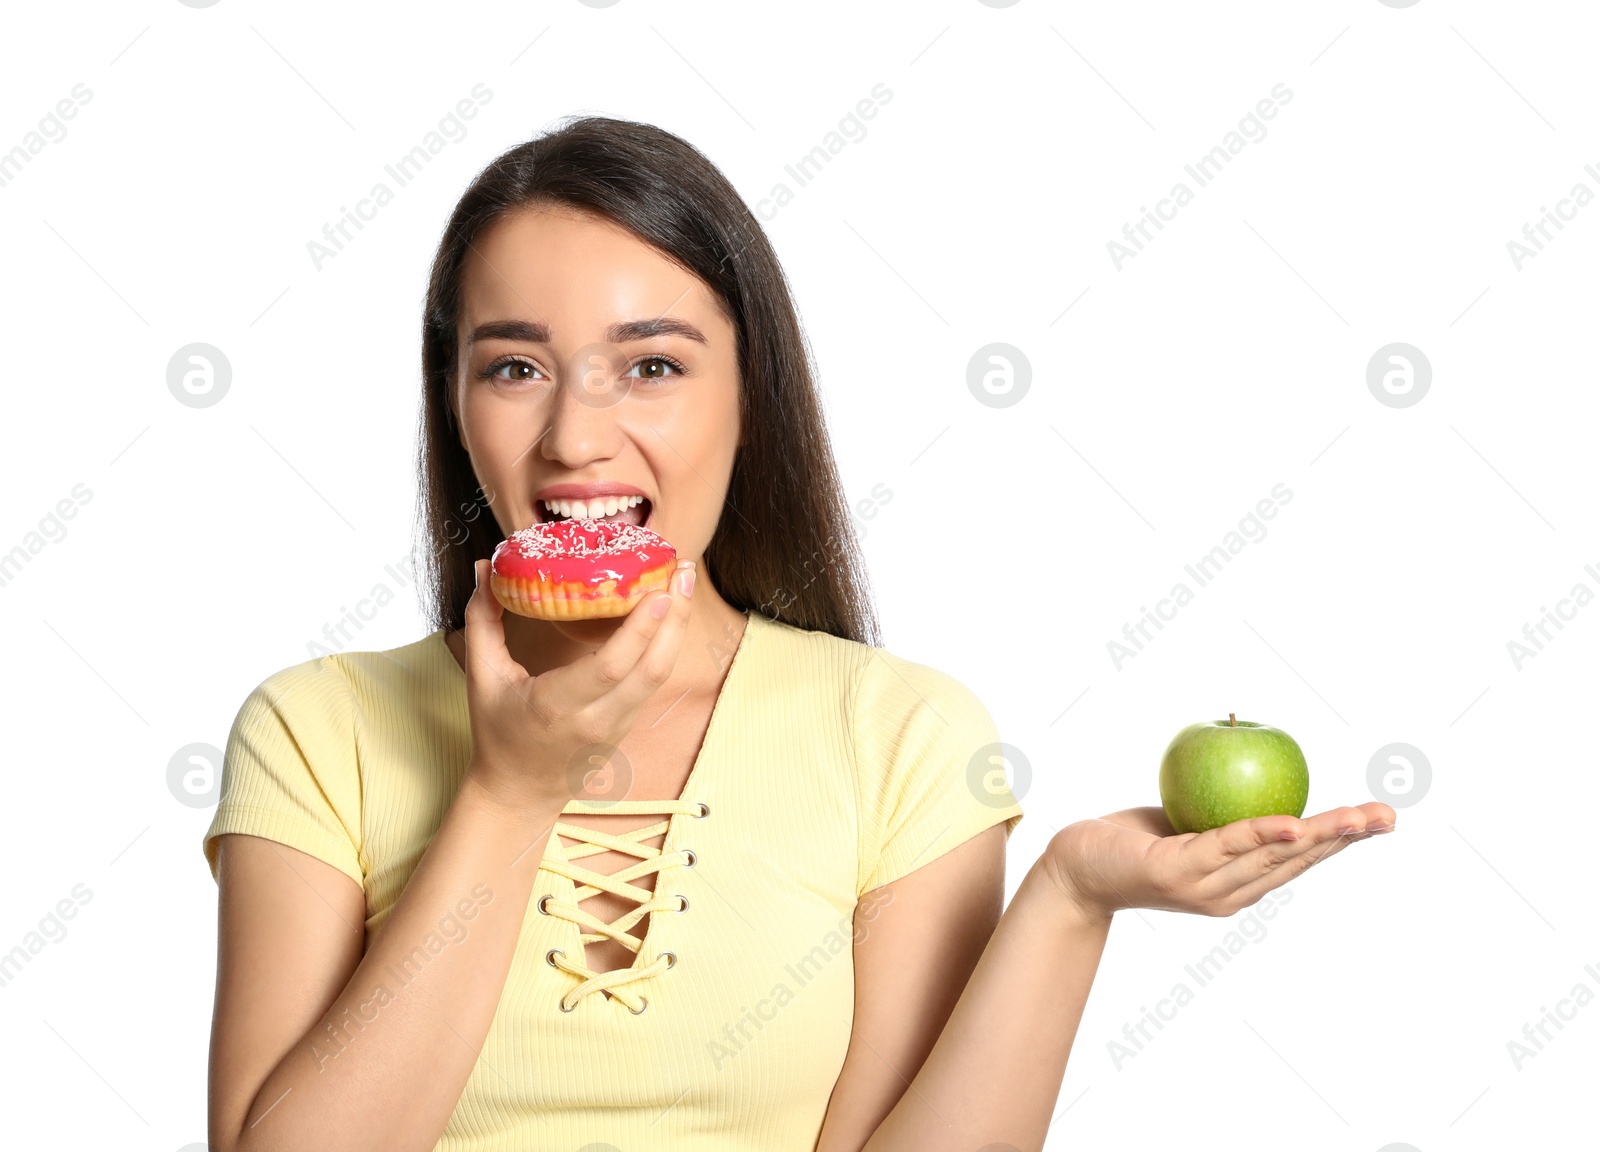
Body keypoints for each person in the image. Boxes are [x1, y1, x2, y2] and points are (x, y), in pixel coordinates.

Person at [201, 115, 1396, 1152]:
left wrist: (1071, 899)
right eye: (514, 366)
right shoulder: (319, 731)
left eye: (651, 365)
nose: (574, 437)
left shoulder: (899, 734)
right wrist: (509, 795)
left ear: (750, 397)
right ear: (455, 406)